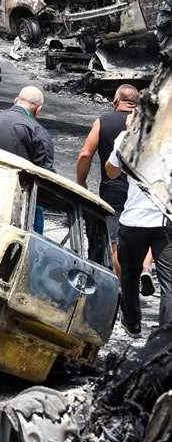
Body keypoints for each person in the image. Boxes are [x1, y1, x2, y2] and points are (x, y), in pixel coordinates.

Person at [76, 84, 154, 292]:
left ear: (116, 100)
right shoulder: (149, 124)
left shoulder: (103, 122)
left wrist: (81, 182)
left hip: (113, 189)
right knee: (147, 230)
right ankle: (146, 269)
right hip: (143, 190)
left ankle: (122, 286)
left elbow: (85, 154)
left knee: (115, 240)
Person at [105, 114, 172, 338]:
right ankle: (165, 338)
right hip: (165, 221)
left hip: (135, 220)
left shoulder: (128, 138)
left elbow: (111, 172)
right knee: (168, 284)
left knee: (130, 274)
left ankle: (133, 324)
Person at [0, 86, 54, 170]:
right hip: (16, 182)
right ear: (38, 109)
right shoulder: (38, 132)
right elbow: (45, 173)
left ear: (15, 101)